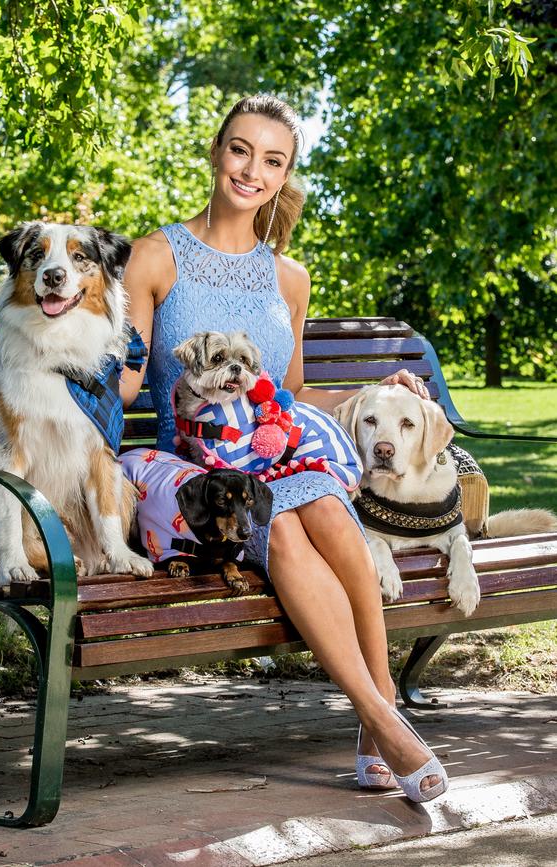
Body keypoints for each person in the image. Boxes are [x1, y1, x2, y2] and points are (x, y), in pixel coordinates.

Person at [120, 94, 447, 802]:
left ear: (285, 173)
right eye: (240, 150)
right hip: (202, 473)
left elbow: (291, 397)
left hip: (275, 451)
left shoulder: (287, 277)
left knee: (325, 508)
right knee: (290, 526)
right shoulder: (154, 255)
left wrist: (373, 391)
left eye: (273, 160)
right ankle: (384, 722)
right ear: (216, 152)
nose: (252, 170)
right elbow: (123, 385)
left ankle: (377, 704)